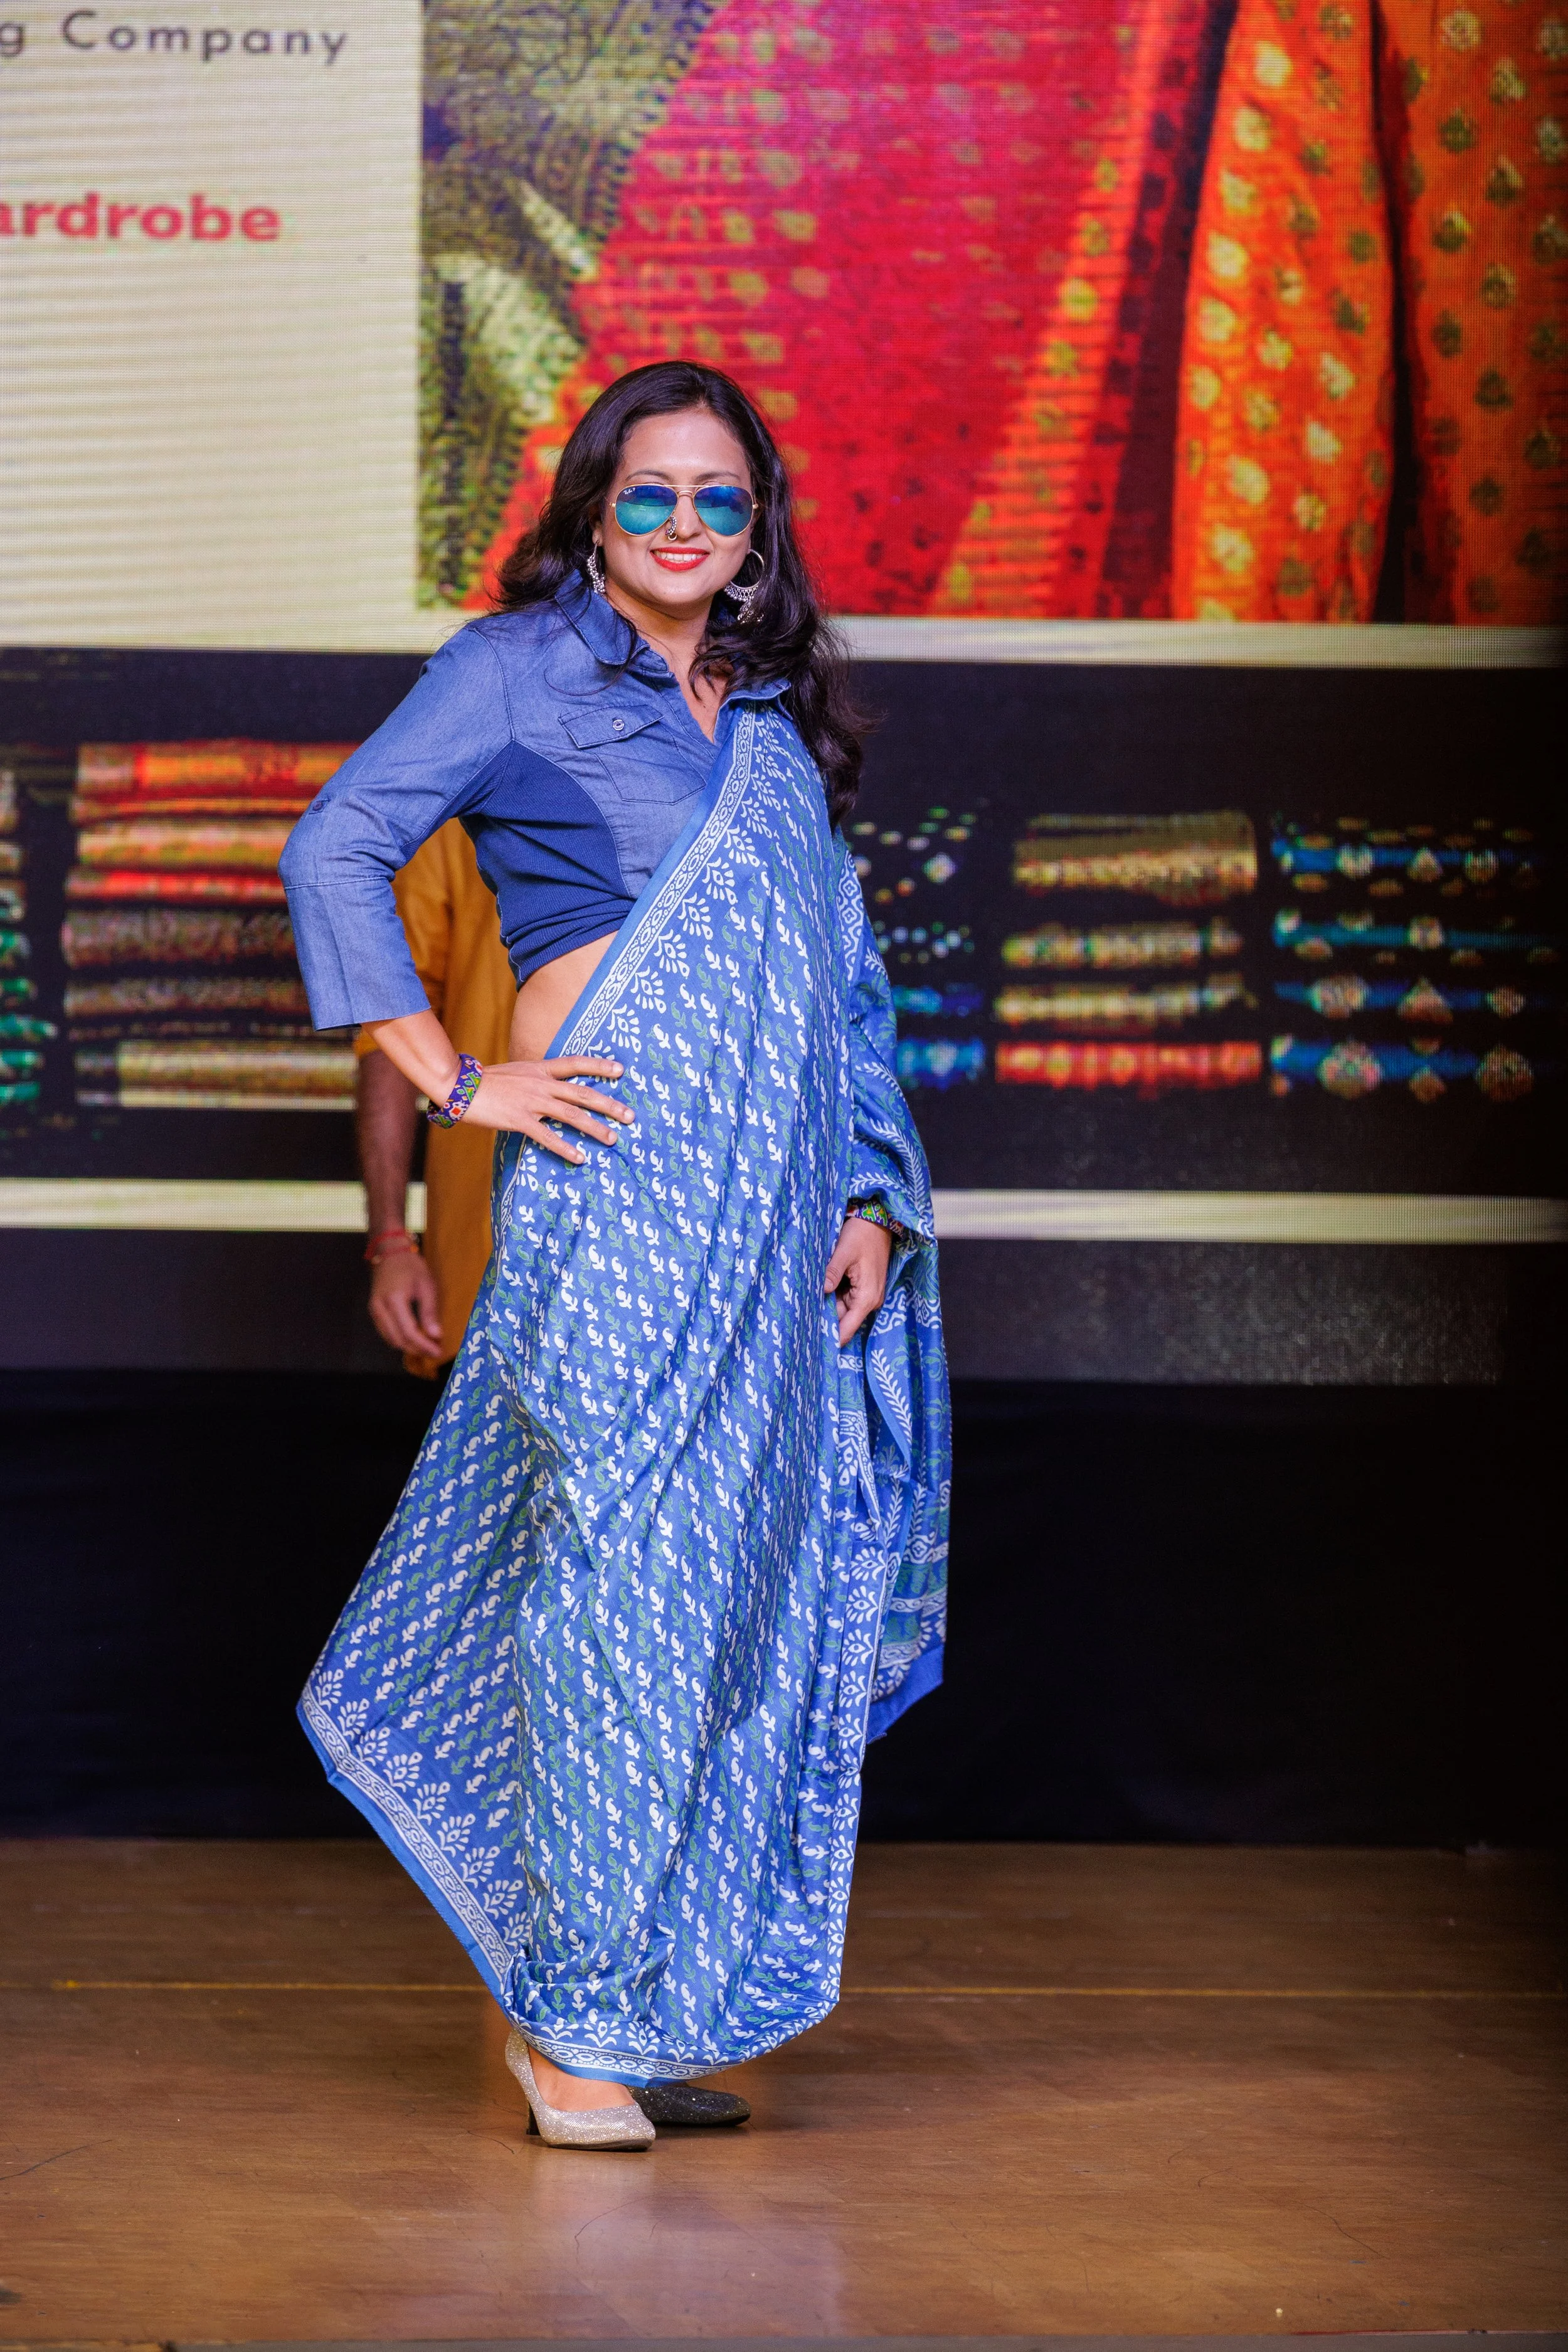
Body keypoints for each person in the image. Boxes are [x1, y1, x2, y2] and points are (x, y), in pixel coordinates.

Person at [280, 361, 950, 2151]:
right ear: (590, 510)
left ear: (753, 532)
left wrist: (867, 1195)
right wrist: (456, 1073)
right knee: (617, 1587)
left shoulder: (766, 720)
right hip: (618, 1186)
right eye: (644, 492)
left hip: (777, 1221)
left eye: (715, 498)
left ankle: (610, 1997)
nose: (678, 523)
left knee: (718, 1601)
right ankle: (569, 2020)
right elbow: (333, 840)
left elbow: (840, 989)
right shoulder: (513, 672)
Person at [356, 820, 515, 1376]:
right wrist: (392, 1239)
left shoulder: (713, 789)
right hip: (485, 1243)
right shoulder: (466, 810)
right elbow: (392, 1025)